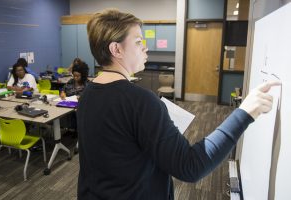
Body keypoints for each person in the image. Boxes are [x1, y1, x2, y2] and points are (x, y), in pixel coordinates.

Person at [76, 9, 280, 200]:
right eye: (138, 41)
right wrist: (245, 112)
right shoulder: (141, 101)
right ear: (116, 49)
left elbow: (118, 149)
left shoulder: (87, 94)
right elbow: (190, 166)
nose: (145, 47)